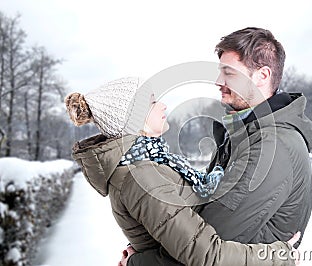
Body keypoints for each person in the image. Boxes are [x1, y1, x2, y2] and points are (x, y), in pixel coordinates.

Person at [65, 77, 299, 266]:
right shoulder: (141, 178)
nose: (163, 105)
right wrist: (280, 256)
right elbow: (205, 255)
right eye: (153, 102)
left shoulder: (152, 162)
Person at [134, 27, 312, 265]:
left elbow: (204, 244)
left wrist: (138, 262)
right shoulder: (242, 135)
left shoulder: (271, 147)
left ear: (262, 75)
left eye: (228, 73)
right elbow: (199, 216)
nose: (218, 81)